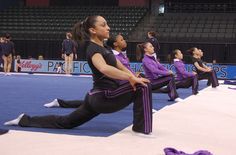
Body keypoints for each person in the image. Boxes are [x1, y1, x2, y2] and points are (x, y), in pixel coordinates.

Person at [5, 16, 153, 135]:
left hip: (95, 97)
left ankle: (24, 120)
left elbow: (118, 65)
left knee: (66, 122)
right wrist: (131, 79)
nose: (108, 28)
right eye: (103, 25)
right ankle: (142, 129)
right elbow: (104, 68)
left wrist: (132, 75)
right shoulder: (92, 48)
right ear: (93, 30)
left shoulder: (104, 47)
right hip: (104, 97)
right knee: (143, 86)